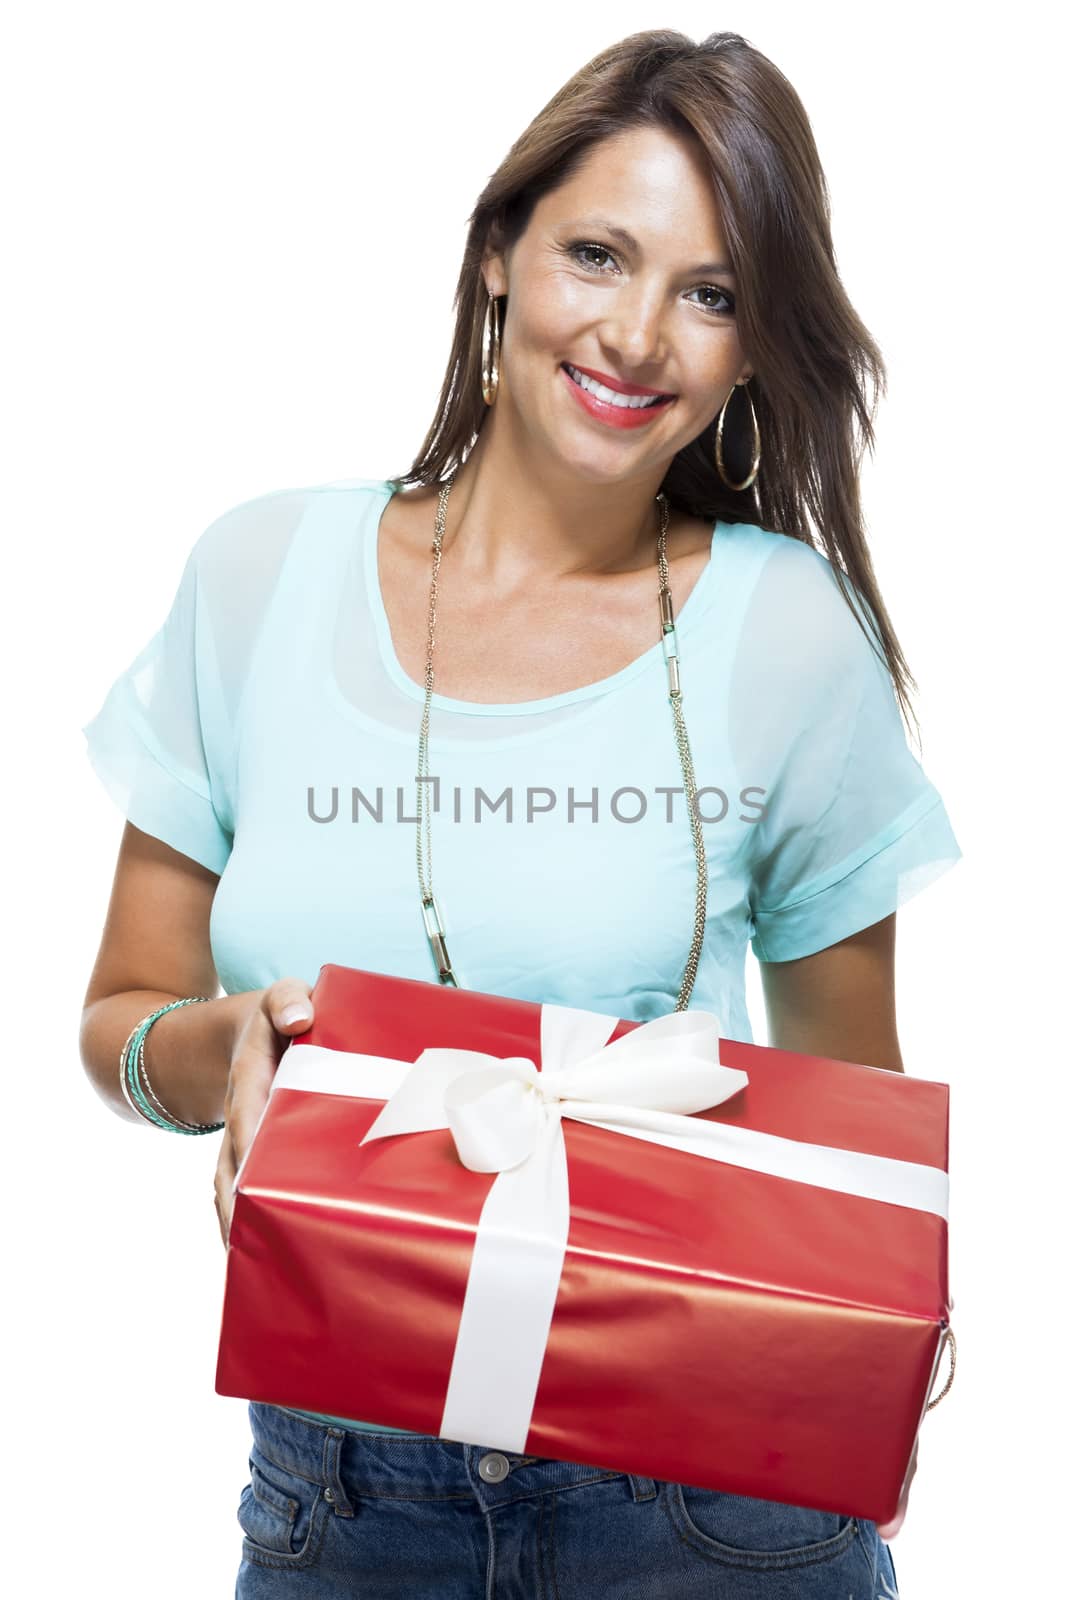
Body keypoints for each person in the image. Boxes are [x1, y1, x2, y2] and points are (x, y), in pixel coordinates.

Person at [79, 27, 960, 1599]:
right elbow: (122, 1026)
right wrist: (234, 1050)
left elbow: (851, 1122)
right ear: (501, 254)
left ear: (757, 348)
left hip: (703, 1492)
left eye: (713, 292)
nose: (637, 335)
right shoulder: (257, 575)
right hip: (345, 1491)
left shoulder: (786, 632)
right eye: (599, 256)